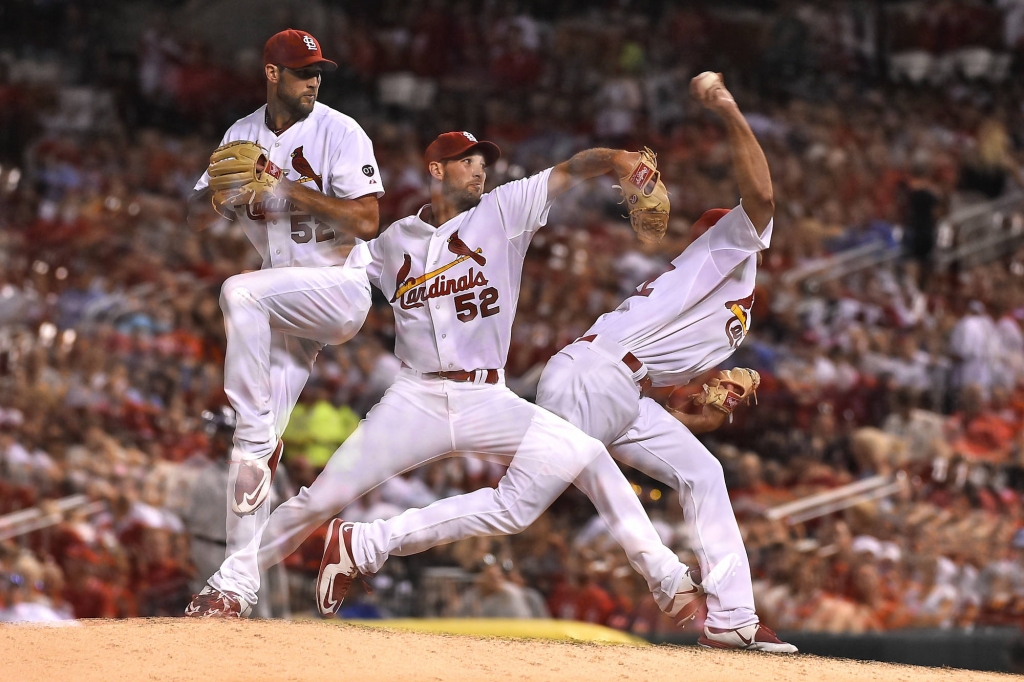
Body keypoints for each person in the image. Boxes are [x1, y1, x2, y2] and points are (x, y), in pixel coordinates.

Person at [340, 74, 796, 652]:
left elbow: (639, 395)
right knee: (515, 506)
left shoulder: (728, 295)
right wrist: (728, 108)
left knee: (703, 473)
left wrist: (695, 414)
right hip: (594, 375)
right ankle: (367, 542)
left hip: (617, 386)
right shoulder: (727, 247)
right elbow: (761, 198)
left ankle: (732, 615)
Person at [189, 131, 699, 622]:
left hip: (487, 397)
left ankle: (672, 585)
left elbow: (571, 169)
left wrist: (617, 158)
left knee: (588, 457)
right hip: (415, 397)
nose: (479, 169)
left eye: (483, 162)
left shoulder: (505, 211)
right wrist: (281, 199)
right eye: (467, 160)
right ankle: (229, 588)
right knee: (318, 500)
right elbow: (338, 284)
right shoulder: (392, 242)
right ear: (437, 169)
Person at [183, 29, 383, 614]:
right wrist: (217, 196)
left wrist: (286, 188)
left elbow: (368, 220)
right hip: (286, 297)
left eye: (318, 71)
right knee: (249, 456)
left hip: (340, 289)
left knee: (238, 292)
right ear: (272, 74)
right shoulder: (240, 134)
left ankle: (251, 423)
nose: (313, 81)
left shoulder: (340, 131)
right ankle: (234, 587)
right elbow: (195, 216)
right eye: (301, 72)